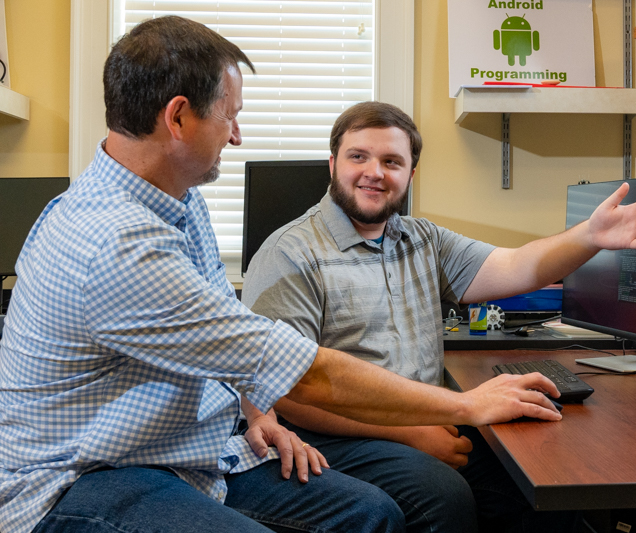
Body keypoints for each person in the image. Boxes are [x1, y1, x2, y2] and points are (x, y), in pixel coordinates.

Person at [0, 17, 571, 533]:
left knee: (371, 514)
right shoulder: (115, 241)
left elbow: (228, 346)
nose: (238, 135)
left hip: (184, 448)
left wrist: (254, 411)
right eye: (231, 116)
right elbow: (301, 371)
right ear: (178, 117)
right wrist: (466, 405)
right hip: (83, 476)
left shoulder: (176, 199)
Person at [241, 101, 636, 532]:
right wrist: (411, 431)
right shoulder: (290, 253)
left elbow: (517, 266)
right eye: (359, 156)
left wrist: (590, 236)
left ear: (411, 174)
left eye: (392, 161)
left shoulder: (421, 239)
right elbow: (290, 393)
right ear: (333, 163)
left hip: (426, 415)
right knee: (442, 498)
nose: (374, 172)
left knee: (547, 470)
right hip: (337, 434)